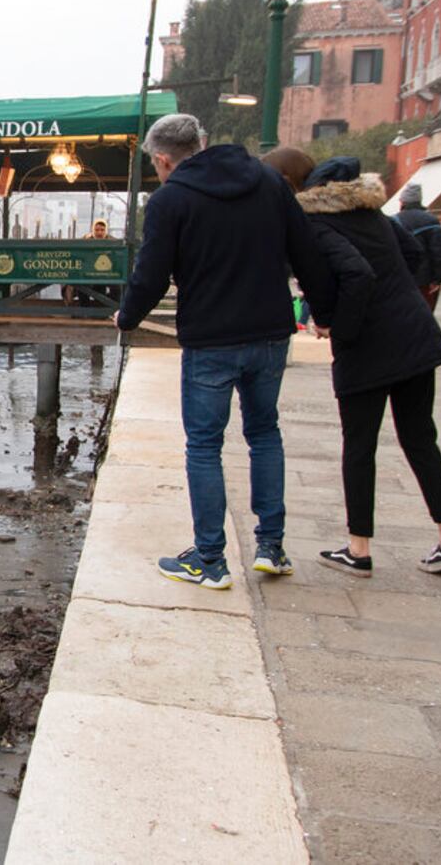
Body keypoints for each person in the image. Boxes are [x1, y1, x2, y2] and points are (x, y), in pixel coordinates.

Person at [114, 114, 334, 590]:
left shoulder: (170, 199)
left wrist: (127, 316)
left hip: (210, 338)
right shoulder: (269, 181)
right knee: (264, 433)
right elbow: (306, 249)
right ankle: (271, 547)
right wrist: (325, 311)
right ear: (202, 142)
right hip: (271, 332)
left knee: (204, 446)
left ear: (162, 159)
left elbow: (152, 273)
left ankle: (210, 559)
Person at [287, 154, 441, 576]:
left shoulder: (319, 224)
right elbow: (413, 254)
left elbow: (357, 274)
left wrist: (337, 327)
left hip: (368, 344)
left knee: (360, 445)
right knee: (421, 440)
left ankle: (359, 548)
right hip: (416, 335)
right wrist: (398, 295)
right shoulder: (379, 218)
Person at [395, 182, 441, 312]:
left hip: (402, 278)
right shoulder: (431, 221)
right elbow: (439, 252)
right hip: (425, 279)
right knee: (424, 314)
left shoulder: (395, 220)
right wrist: (438, 278)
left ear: (403, 202)